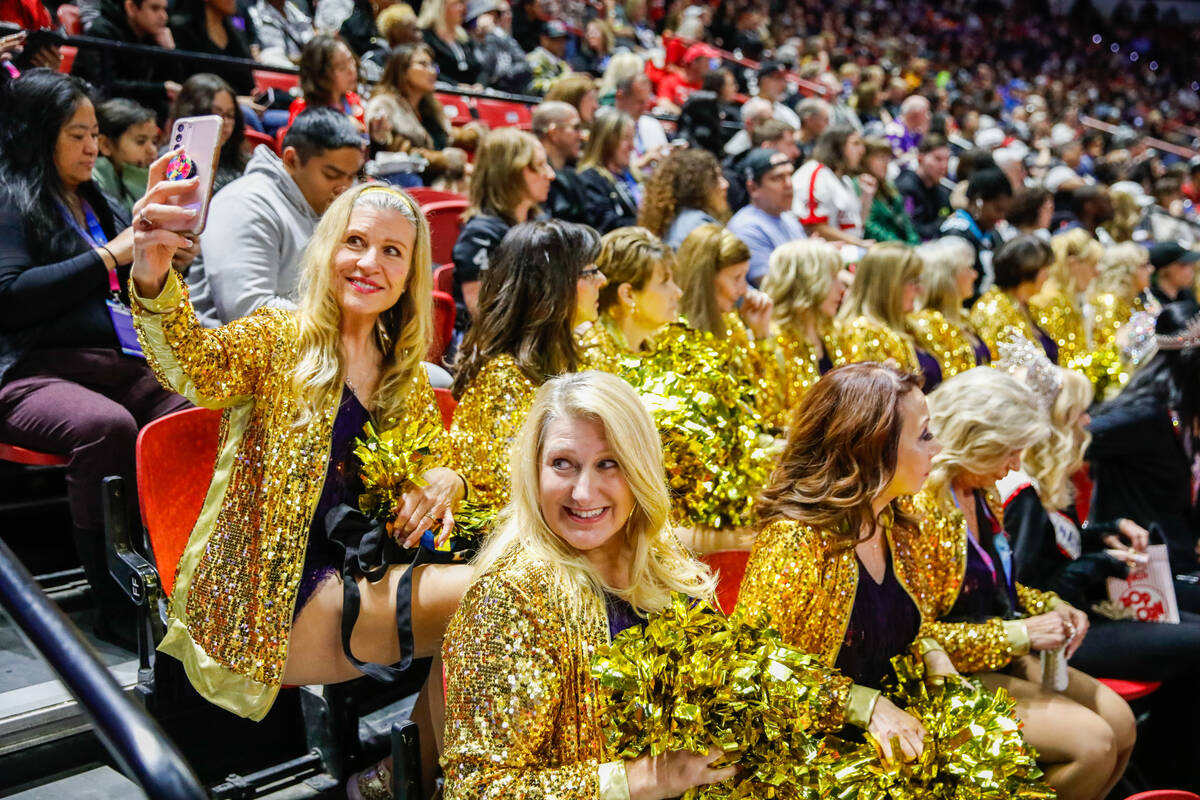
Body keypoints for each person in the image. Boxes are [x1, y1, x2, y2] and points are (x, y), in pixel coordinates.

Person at [130, 173, 473, 793]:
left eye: (392, 251)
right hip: (271, 600)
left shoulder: (402, 370)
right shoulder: (280, 334)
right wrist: (154, 275)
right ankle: (402, 781)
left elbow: (433, 459)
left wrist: (449, 477)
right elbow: (191, 365)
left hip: (364, 571)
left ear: (410, 274)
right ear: (327, 249)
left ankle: (405, 777)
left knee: (514, 591)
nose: (369, 263)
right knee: (498, 597)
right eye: (355, 242)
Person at [441, 371, 739, 798]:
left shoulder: (658, 557)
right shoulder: (509, 596)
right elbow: (476, 790)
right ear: (534, 469)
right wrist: (644, 779)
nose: (583, 493)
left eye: (608, 463)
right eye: (562, 463)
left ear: (639, 469)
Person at [0, 69, 191, 647]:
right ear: (38, 134)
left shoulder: (95, 198)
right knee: (104, 427)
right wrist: (110, 255)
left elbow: (128, 284)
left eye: (94, 135)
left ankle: (194, 578)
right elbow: (10, 298)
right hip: (28, 370)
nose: (92, 147)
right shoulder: (7, 197)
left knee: (196, 408)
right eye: (77, 135)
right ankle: (115, 600)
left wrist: (162, 260)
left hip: (112, 361)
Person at [915, 367, 1135, 800]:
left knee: (1122, 725)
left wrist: (1050, 604)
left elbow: (1000, 587)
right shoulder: (921, 504)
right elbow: (915, 636)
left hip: (998, 651)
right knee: (1094, 745)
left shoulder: (983, 491)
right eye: (1009, 451)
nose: (1016, 465)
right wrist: (1021, 633)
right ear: (974, 439)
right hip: (945, 672)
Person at [997, 344, 1200, 792]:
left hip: (1082, 613)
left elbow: (1058, 550)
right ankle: (1169, 770)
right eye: (1077, 415)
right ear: (1051, 428)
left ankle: (1170, 769)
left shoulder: (1048, 481)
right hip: (1062, 633)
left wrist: (1105, 532)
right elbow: (1029, 588)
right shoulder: (1021, 495)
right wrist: (1102, 563)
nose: (1089, 422)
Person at [737, 363, 959, 762]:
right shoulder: (794, 540)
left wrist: (932, 653)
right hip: (813, 763)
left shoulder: (896, 521)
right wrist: (862, 705)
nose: (937, 447)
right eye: (924, 434)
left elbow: (911, 626)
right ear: (873, 447)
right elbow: (755, 673)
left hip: (899, 742)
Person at [447, 221, 604, 508]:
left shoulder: (583, 355)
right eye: (590, 271)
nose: (602, 280)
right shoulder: (504, 378)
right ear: (554, 285)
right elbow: (499, 495)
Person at [187, 108, 364, 326]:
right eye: (331, 175)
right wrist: (342, 323)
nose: (344, 187)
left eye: (352, 176)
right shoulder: (245, 204)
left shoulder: (327, 204)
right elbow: (247, 312)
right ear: (291, 160)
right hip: (226, 344)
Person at [1088, 301, 1200, 589]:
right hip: (1145, 569)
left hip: (1177, 554)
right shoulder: (1145, 414)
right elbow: (1074, 438)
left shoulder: (1176, 410)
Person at [450, 127, 553, 336]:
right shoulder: (480, 234)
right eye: (540, 165)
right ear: (511, 172)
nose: (551, 175)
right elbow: (483, 313)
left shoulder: (540, 223)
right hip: (490, 342)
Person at [675, 223, 781, 422]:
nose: (743, 290)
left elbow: (767, 405)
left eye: (744, 277)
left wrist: (761, 335)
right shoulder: (675, 336)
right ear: (706, 281)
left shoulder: (731, 323)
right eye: (737, 278)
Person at [366, 43, 479, 185]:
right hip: (410, 181)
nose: (432, 71)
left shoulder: (429, 107)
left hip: (439, 178)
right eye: (423, 64)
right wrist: (448, 161)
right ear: (402, 71)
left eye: (432, 65)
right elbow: (402, 154)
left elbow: (445, 137)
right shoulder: (385, 106)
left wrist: (475, 134)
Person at [760, 239, 844, 411]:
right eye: (833, 278)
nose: (842, 288)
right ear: (809, 283)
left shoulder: (831, 333)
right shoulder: (773, 343)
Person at [578, 226, 681, 357]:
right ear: (628, 295)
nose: (678, 292)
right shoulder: (590, 356)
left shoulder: (667, 346)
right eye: (664, 282)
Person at [72, 0, 183, 119]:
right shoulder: (101, 32)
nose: (164, 16)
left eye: (165, 9)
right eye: (155, 8)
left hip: (141, 113)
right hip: (98, 111)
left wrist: (170, 51)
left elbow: (176, 83)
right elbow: (105, 87)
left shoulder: (156, 36)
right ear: (131, 7)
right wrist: (161, 90)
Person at [835, 242, 924, 376]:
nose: (920, 289)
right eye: (913, 282)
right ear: (888, 287)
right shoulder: (864, 332)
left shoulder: (906, 323)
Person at [910, 237, 988, 380]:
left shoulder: (964, 317)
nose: (975, 275)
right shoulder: (925, 325)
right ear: (947, 278)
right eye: (969, 268)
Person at [970, 235, 1058, 363]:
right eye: (1045, 269)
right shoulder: (992, 311)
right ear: (1028, 270)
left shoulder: (1029, 307)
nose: (1048, 276)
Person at [727, 148, 806, 286]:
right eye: (777, 178)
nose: (789, 184)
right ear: (753, 188)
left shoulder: (788, 218)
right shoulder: (746, 228)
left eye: (790, 175)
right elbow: (775, 286)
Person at [1088, 242, 1153, 399]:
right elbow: (1109, 352)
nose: (1151, 269)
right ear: (1127, 271)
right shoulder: (1109, 303)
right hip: (1117, 389)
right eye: (1144, 265)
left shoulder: (1138, 301)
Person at [1030, 228, 1103, 369]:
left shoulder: (1071, 298)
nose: (1097, 272)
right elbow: (1066, 361)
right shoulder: (1050, 302)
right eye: (1093, 265)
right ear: (1073, 265)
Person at [793, 125, 873, 248]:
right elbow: (814, 226)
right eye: (855, 144)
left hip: (849, 250)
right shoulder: (815, 173)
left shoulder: (845, 180)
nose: (862, 150)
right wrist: (860, 244)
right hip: (823, 252)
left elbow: (855, 227)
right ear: (836, 146)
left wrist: (867, 199)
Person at [169, 74, 249, 195]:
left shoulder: (244, 162)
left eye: (230, 115)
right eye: (216, 114)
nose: (225, 122)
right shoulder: (174, 162)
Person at [940, 167, 1012, 298]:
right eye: (998, 209)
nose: (1001, 217)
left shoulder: (993, 234)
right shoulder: (954, 233)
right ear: (977, 202)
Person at [637, 148, 728, 250]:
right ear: (696, 187)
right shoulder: (698, 226)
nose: (725, 184)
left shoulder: (676, 223)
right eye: (715, 179)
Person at [170, 0, 256, 97]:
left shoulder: (237, 33)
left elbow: (248, 81)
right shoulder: (183, 31)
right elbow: (187, 85)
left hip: (244, 102)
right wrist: (236, 100)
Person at [577, 107, 639, 234]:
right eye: (626, 138)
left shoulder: (634, 175)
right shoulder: (590, 179)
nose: (632, 146)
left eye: (632, 138)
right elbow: (606, 224)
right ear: (607, 141)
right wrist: (648, 224)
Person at [92, 98, 157, 216]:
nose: (153, 150)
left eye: (154, 141)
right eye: (140, 141)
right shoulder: (95, 180)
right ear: (105, 145)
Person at [286, 34, 365, 129]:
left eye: (351, 60)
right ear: (321, 76)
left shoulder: (353, 100)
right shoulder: (303, 111)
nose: (352, 70)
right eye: (342, 67)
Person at [857, 136, 919, 245]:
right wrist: (900, 245)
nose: (886, 163)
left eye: (888, 158)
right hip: (880, 247)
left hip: (901, 246)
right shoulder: (859, 185)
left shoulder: (889, 186)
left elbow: (906, 222)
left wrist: (914, 243)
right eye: (881, 158)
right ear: (866, 160)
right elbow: (868, 225)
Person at [531, 100, 585, 223]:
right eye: (576, 128)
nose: (581, 135)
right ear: (554, 133)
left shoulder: (573, 174)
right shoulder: (534, 178)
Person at [465, 0, 531, 94]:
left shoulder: (502, 38)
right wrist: (490, 35)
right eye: (488, 17)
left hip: (508, 93)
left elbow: (525, 65)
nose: (492, 21)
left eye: (495, 17)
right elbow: (486, 69)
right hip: (482, 95)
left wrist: (501, 76)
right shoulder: (469, 44)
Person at [419, 0, 481, 85]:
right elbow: (428, 68)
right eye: (456, 4)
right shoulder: (425, 36)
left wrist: (479, 84)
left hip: (470, 91)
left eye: (463, 4)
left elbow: (480, 68)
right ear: (440, 7)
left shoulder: (465, 38)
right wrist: (455, 85)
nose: (462, 8)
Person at [248, 0, 314, 68]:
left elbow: (307, 33)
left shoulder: (292, 7)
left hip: (304, 58)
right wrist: (302, 60)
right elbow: (277, 51)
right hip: (283, 62)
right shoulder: (256, 13)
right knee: (268, 56)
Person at [525, 19, 571, 95]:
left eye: (563, 40)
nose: (561, 44)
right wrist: (562, 82)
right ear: (544, 39)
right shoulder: (535, 58)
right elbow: (531, 86)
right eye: (556, 39)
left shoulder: (561, 63)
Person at [1148, 240, 1199, 305]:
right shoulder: (1151, 303)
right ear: (1165, 269)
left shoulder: (1187, 296)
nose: (1191, 269)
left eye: (1191, 264)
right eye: (1183, 264)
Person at [755, 59, 801, 130]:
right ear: (764, 81)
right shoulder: (751, 108)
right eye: (778, 78)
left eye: (784, 79)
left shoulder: (786, 112)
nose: (783, 84)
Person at [793, 97, 830, 163]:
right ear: (809, 120)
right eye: (825, 119)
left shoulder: (821, 143)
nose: (828, 124)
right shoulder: (793, 144)